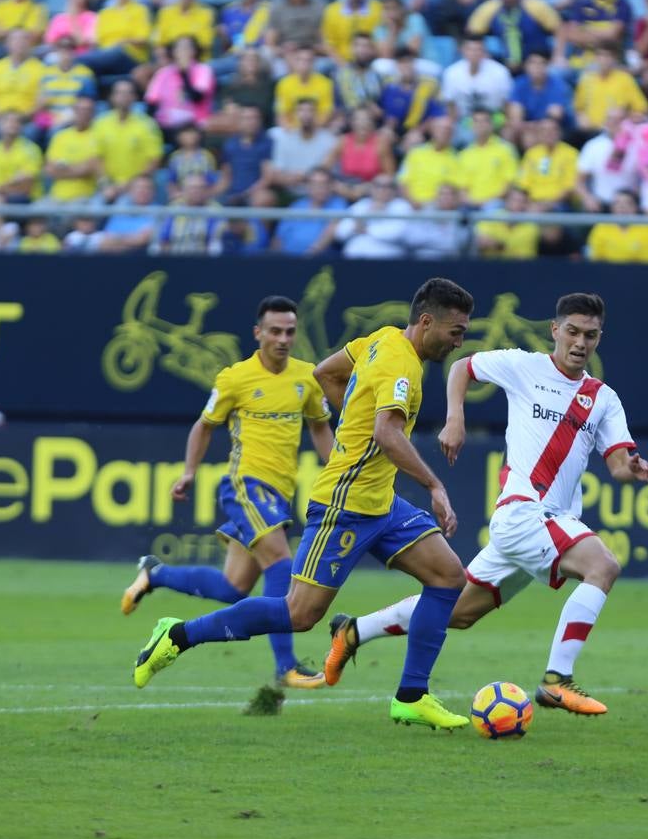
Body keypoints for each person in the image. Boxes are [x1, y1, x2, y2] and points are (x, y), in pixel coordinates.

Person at [132, 279, 478, 732]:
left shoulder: (379, 338)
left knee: (449, 577)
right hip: (345, 505)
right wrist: (435, 485)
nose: (460, 340)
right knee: (299, 614)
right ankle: (176, 636)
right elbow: (387, 434)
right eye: (456, 331)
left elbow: (325, 373)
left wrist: (351, 417)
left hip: (381, 502)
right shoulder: (401, 365)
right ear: (427, 321)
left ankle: (412, 695)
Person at [325, 292, 648, 716]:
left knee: (458, 612)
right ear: (554, 331)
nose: (580, 343)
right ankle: (557, 679)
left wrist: (633, 466)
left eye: (590, 335)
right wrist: (455, 418)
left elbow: (617, 466)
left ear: (598, 338)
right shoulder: (525, 366)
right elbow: (463, 367)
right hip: (524, 511)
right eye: (572, 332)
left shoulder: (603, 398)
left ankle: (353, 630)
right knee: (603, 566)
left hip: (547, 521)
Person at [466, 0, 561, 74]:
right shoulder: (490, 9)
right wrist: (484, 54)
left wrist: (558, 55)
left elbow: (559, 29)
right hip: (505, 63)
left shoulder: (534, 6)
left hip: (537, 61)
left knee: (555, 71)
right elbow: (472, 32)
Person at [336, 174, 413, 258]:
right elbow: (340, 232)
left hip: (388, 258)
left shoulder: (402, 206)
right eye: (378, 186)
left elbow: (397, 233)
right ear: (371, 189)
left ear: (394, 190)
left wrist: (365, 229)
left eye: (387, 186)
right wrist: (367, 215)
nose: (382, 190)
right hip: (355, 257)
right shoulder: (362, 205)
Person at [274, 168, 347, 255]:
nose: (320, 188)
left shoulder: (338, 203)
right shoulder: (296, 205)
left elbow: (332, 229)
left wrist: (310, 255)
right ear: (308, 186)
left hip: (316, 262)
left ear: (331, 186)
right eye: (315, 184)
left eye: (324, 184)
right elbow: (278, 238)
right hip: (286, 259)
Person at [440, 35, 514, 120]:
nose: (474, 53)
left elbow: (507, 102)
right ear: (462, 51)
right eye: (470, 49)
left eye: (478, 49)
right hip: (465, 119)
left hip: (493, 117)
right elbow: (450, 104)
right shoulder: (451, 73)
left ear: (484, 52)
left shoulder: (500, 72)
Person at [585, 189, 648, 262]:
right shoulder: (601, 227)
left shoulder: (647, 228)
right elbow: (595, 258)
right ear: (612, 208)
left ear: (636, 207)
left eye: (628, 203)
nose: (622, 207)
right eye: (617, 203)